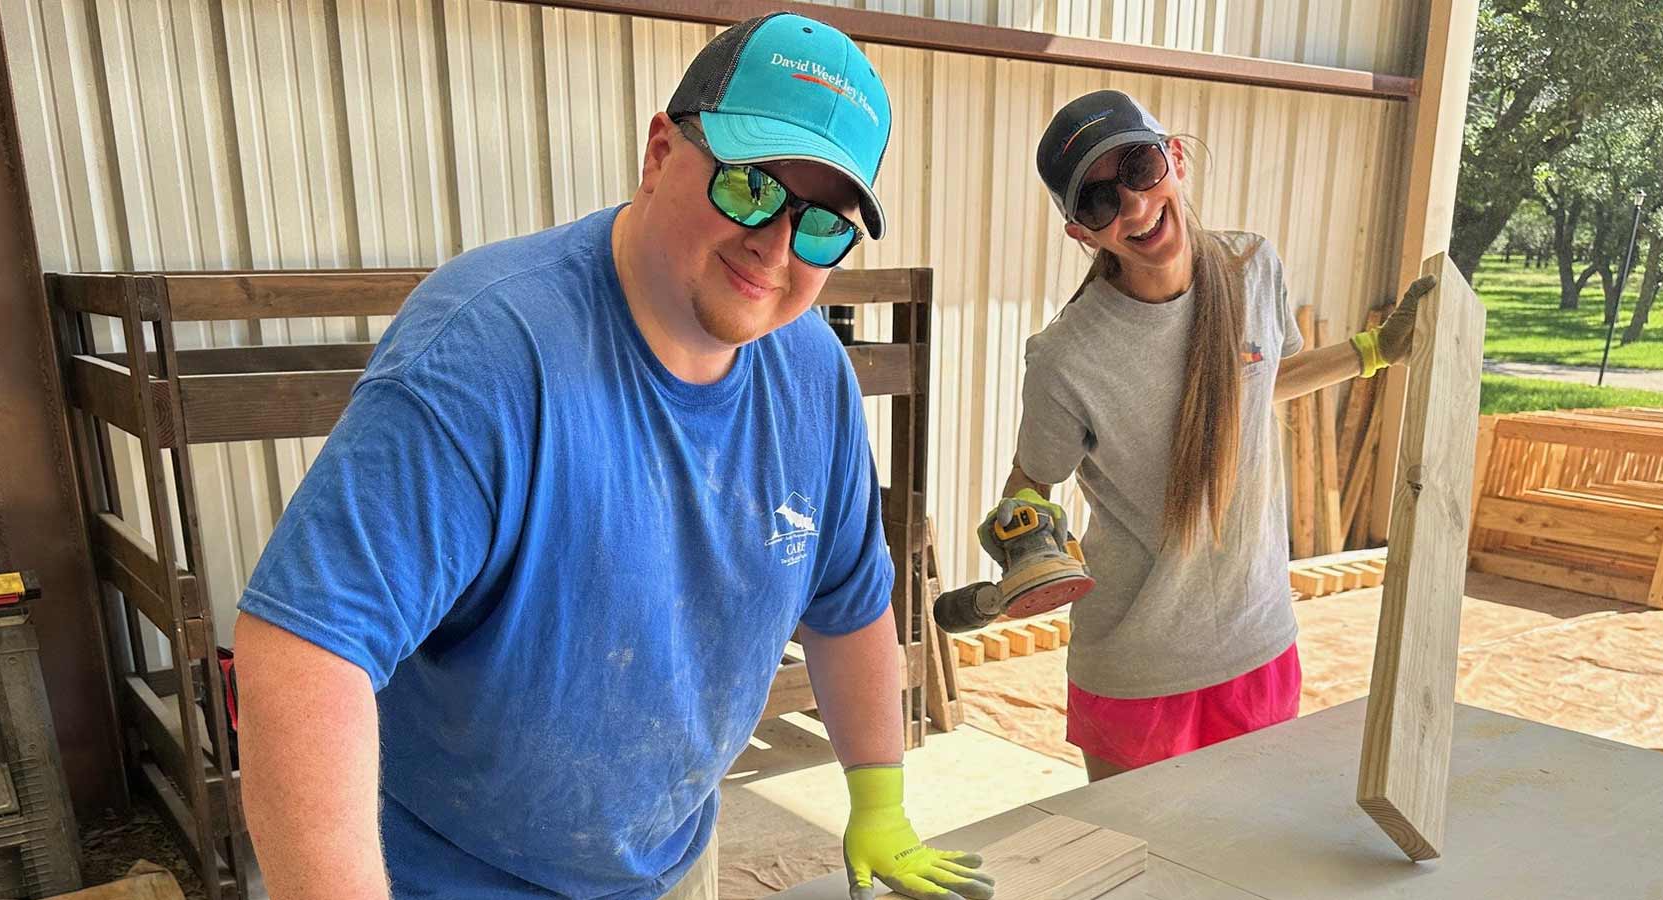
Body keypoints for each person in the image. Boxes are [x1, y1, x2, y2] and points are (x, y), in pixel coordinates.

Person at [232, 14, 995, 900]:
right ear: (661, 151)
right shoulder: (489, 352)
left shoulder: (811, 373)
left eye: (823, 225)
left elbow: (848, 603)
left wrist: (879, 799)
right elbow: (305, 649)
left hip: (667, 862)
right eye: (750, 186)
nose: (776, 246)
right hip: (452, 875)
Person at [989, 89, 1434, 783]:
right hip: (1136, 667)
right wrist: (1027, 535)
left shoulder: (1252, 268)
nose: (1133, 206)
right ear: (1081, 232)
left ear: (1177, 159)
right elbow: (1031, 479)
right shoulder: (1066, 357)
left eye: (1138, 166)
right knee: (1142, 872)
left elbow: (1255, 384)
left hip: (1257, 642)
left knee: (1248, 861)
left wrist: (1375, 350)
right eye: (1100, 201)